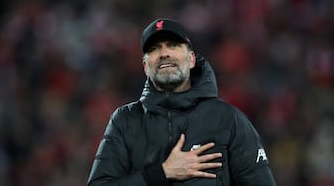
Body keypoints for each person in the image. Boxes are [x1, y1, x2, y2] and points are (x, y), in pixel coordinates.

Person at [87, 18, 277, 186]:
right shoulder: (125, 120)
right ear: (145, 67)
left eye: (173, 45)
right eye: (154, 49)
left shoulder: (227, 119)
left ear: (192, 59)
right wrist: (162, 173)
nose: (164, 53)